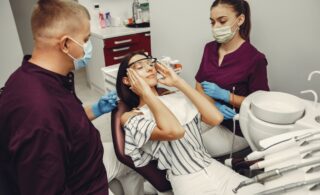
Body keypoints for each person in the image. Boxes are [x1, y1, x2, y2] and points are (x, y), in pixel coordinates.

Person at [0, 0, 120, 194]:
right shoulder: (37, 109)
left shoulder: (35, 77)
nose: (88, 47)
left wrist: (95, 109)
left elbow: (62, 123)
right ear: (65, 44)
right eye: (86, 39)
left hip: (86, 173)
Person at [115, 51, 264, 195]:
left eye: (150, 63)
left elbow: (216, 118)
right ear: (127, 80)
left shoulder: (176, 98)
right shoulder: (131, 117)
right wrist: (147, 94)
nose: (149, 68)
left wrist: (179, 83)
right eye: (140, 67)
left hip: (215, 168)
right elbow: (174, 131)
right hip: (187, 181)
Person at [195, 0, 269, 157]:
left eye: (222, 21)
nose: (216, 27)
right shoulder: (209, 48)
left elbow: (260, 104)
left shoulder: (255, 59)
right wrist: (214, 105)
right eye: (212, 22)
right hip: (209, 117)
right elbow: (199, 86)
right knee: (169, 133)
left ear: (240, 20)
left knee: (182, 143)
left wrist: (228, 97)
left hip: (236, 130)